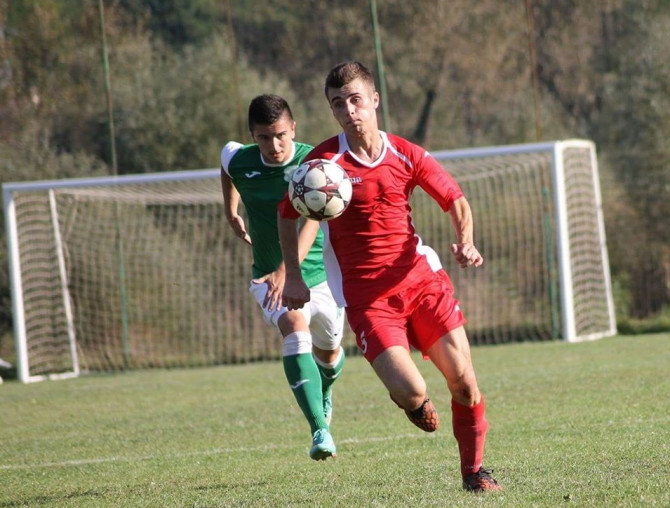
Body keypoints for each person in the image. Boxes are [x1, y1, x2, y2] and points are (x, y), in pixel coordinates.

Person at [278, 62, 502, 491]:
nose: (349, 111)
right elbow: (286, 214)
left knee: (465, 383)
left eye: (356, 100)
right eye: (338, 104)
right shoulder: (322, 164)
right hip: (369, 301)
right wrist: (293, 276)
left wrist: (466, 241)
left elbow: (454, 198)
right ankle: (410, 401)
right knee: (412, 393)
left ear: (374, 100)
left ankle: (474, 473)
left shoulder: (405, 153)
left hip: (422, 282)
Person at [220, 94, 345, 461]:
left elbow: (313, 219)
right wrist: (231, 211)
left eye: (280, 135)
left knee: (330, 352)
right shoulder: (239, 159)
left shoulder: (312, 163)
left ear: (293, 128)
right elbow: (225, 164)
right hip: (268, 278)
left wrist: (287, 270)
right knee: (294, 329)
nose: (274, 146)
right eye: (263, 137)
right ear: (252, 135)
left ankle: (324, 390)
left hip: (321, 275)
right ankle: (319, 430)